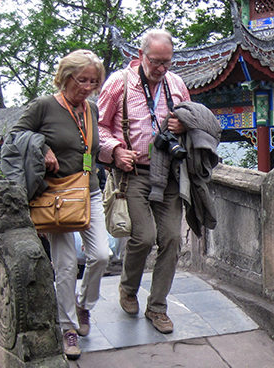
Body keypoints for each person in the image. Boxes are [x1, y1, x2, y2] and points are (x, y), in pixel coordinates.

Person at [5, 50, 109, 360]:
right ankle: (68, 328)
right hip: (57, 196)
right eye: (82, 80)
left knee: (101, 254)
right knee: (64, 264)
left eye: (93, 81)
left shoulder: (90, 109)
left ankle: (83, 305)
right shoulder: (44, 106)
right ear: (65, 77)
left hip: (88, 191)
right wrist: (43, 146)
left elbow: (90, 146)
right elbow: (14, 135)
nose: (88, 87)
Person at [97, 29, 190, 334]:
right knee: (144, 237)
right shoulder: (119, 83)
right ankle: (127, 288)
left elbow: (196, 120)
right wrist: (115, 150)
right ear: (141, 56)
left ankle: (158, 306)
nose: (162, 68)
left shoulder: (176, 85)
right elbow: (97, 127)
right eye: (156, 61)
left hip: (169, 173)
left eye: (167, 62)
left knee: (172, 240)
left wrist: (183, 124)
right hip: (133, 173)